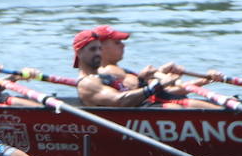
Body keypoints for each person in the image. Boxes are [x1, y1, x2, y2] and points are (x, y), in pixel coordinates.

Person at [72, 29, 201, 108]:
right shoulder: (87, 82)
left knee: (185, 106)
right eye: (93, 49)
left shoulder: (102, 76)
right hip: (128, 119)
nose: (98, 53)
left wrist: (145, 80)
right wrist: (155, 86)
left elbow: (132, 90)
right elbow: (119, 101)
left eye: (100, 49)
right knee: (175, 108)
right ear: (78, 53)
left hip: (145, 108)